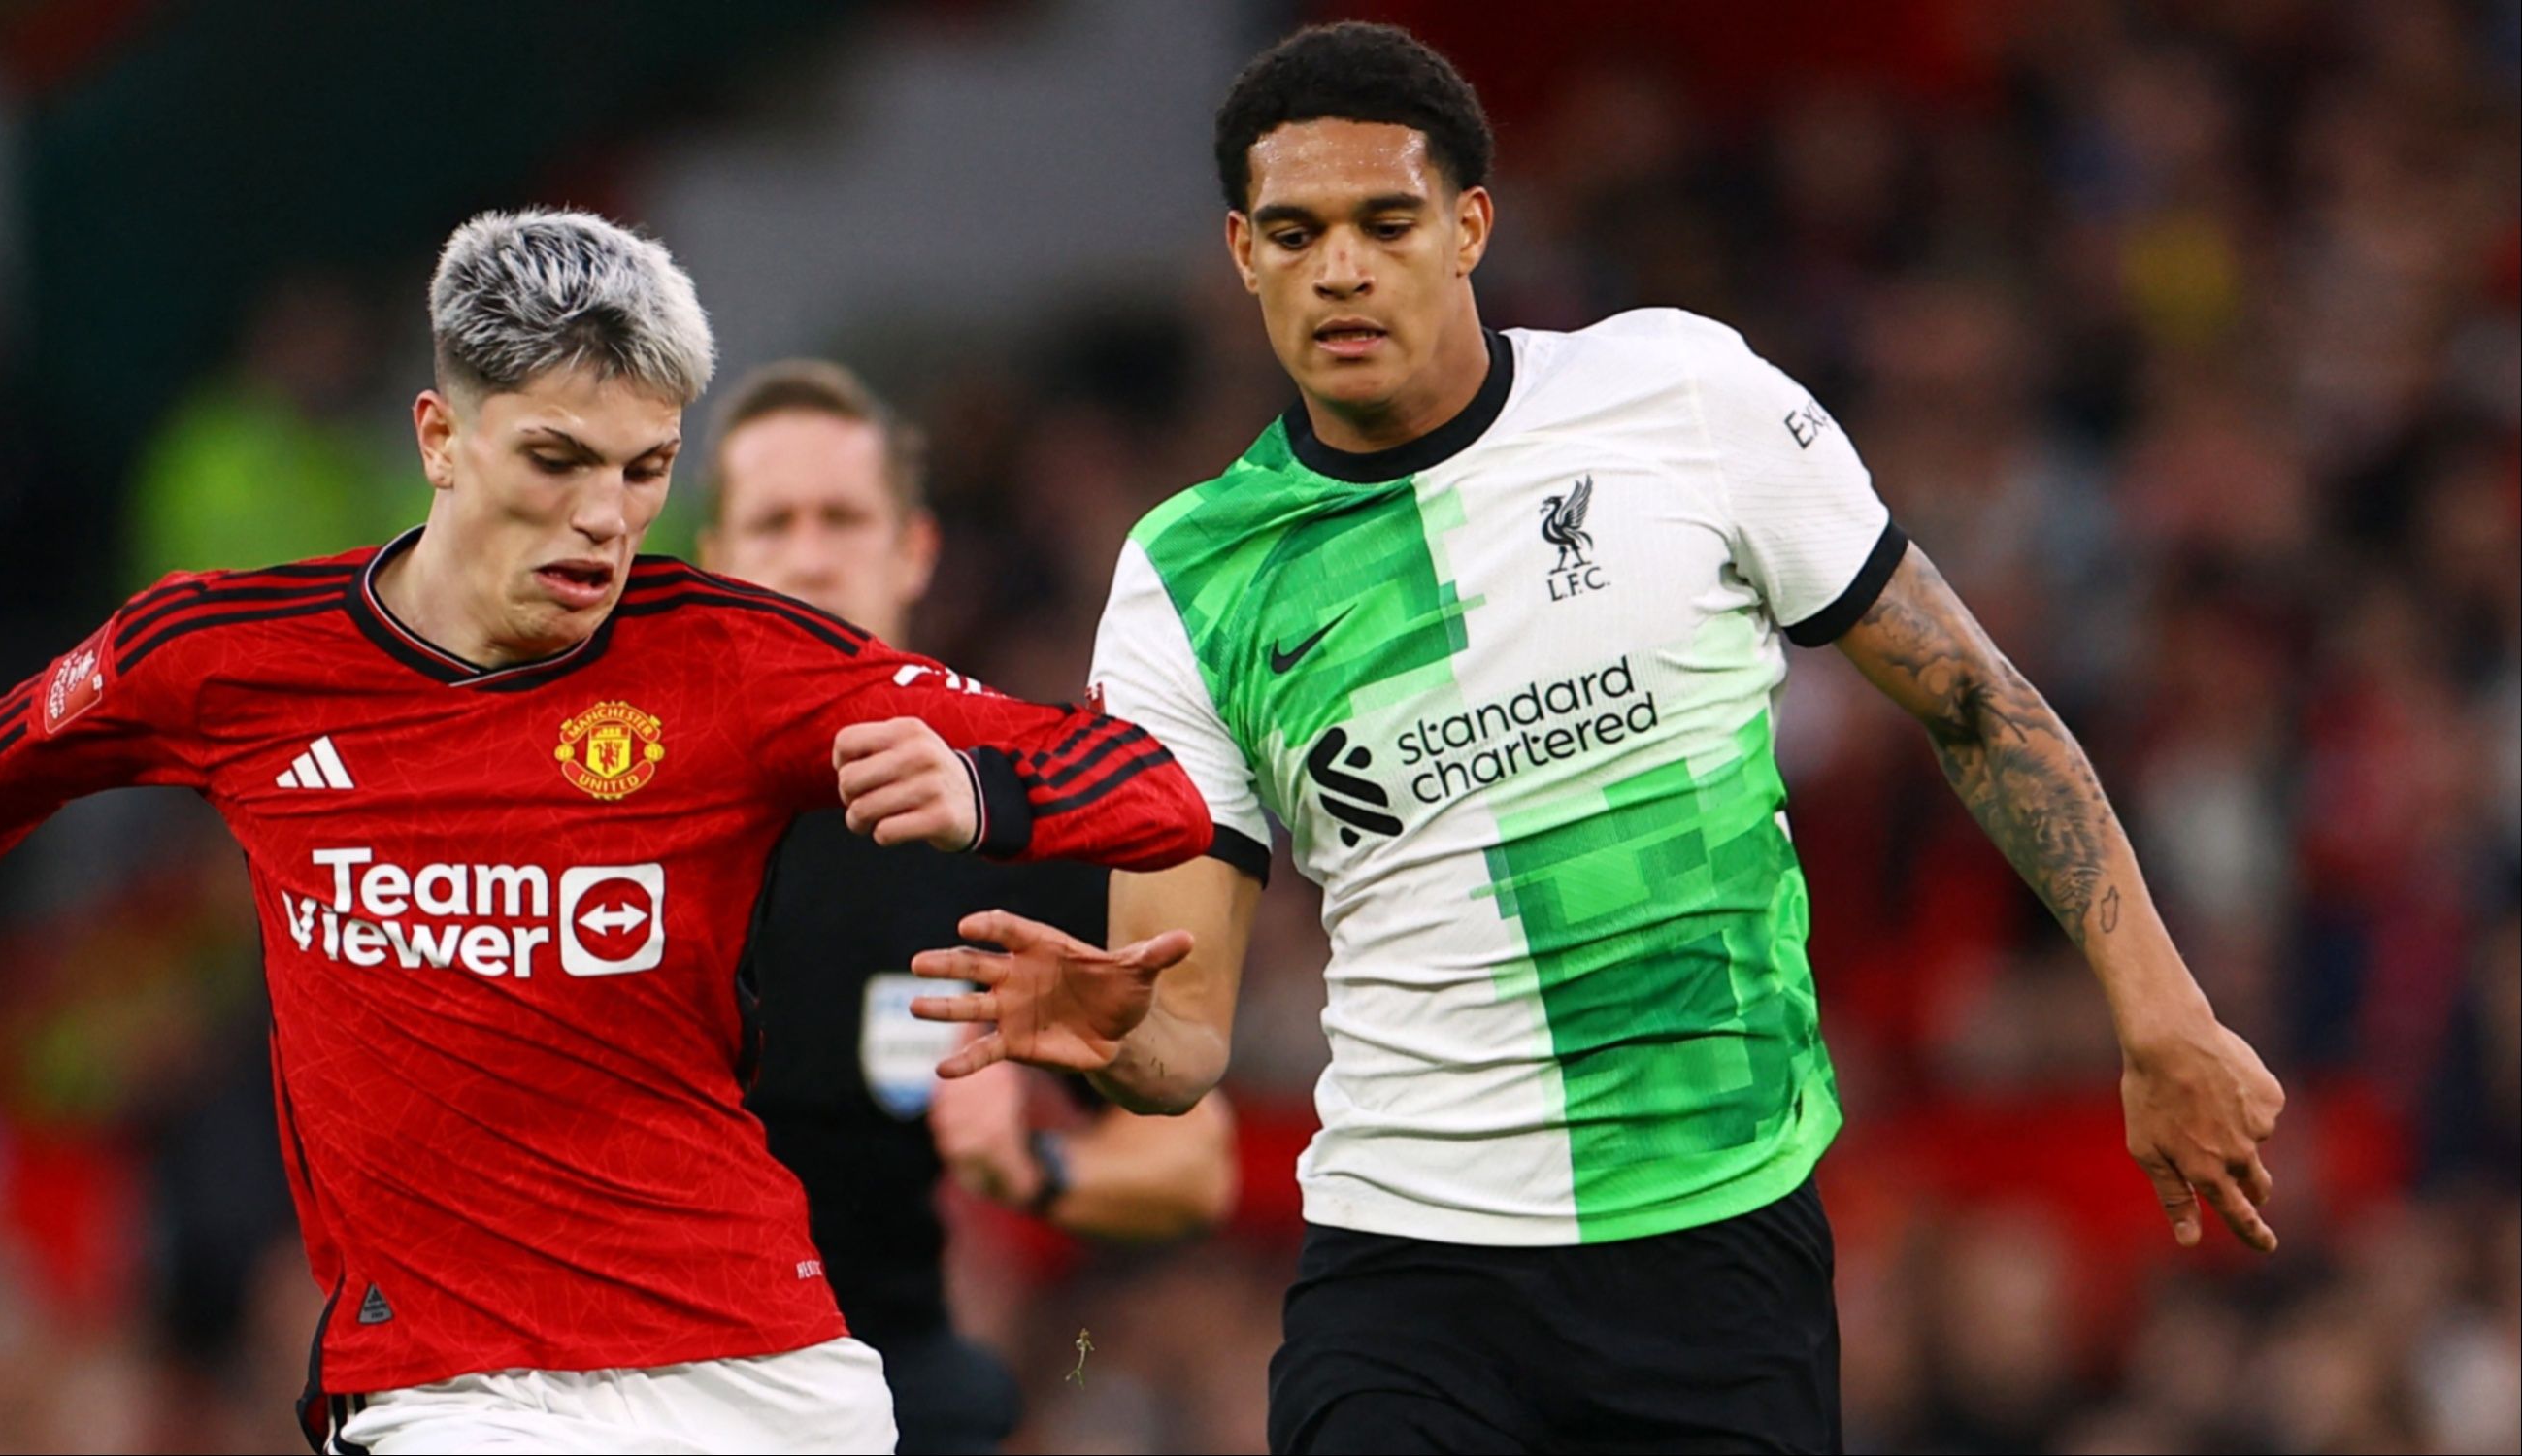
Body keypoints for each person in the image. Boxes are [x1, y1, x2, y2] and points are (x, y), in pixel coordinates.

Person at [909, 23, 2289, 1455]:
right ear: (1242, 253)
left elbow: (1975, 702)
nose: (1341, 268)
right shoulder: (1186, 578)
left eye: (1387, 222)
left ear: (1471, 227)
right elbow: (1182, 1032)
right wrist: (1117, 1039)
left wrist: (2162, 1011)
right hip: (1410, 1266)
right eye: (1295, 231)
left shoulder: (1681, 400)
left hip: (1717, 1242)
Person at [0, 208, 1219, 1456]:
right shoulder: (226, 654)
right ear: (440, 436)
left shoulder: (733, 658)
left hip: (765, 1370)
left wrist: (992, 796)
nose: (605, 519)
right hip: (455, 1384)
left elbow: (1149, 786)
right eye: (558, 460)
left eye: (646, 470)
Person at [699, 360, 1239, 1454]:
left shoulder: (1002, 816)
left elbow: (1196, 1159)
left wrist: (1032, 1167)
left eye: (843, 518)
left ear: (915, 553)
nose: (808, 555)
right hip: (641, 1376)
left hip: (886, 1376)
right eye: (772, 524)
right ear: (713, 564)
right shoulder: (618, 810)